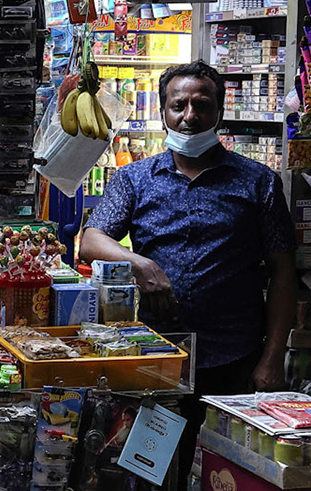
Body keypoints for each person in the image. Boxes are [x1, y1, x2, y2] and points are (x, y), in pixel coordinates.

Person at [79, 61, 295, 397]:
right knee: (155, 432)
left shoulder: (258, 181)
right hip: (154, 350)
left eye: (202, 106)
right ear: (163, 112)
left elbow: (284, 272)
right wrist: (141, 265)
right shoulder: (135, 179)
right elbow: (91, 240)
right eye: (178, 106)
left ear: (219, 113)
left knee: (224, 434)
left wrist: (274, 357)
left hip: (235, 355)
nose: (190, 116)